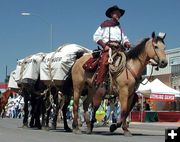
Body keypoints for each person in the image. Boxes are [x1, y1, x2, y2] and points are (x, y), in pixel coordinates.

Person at [93, 5, 131, 87]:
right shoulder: (104, 24)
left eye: (119, 14)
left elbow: (124, 38)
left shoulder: (119, 28)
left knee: (130, 61)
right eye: (116, 13)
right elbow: (96, 36)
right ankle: (99, 83)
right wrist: (104, 46)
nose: (118, 15)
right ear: (111, 14)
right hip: (108, 48)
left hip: (119, 49)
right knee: (104, 61)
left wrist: (126, 43)